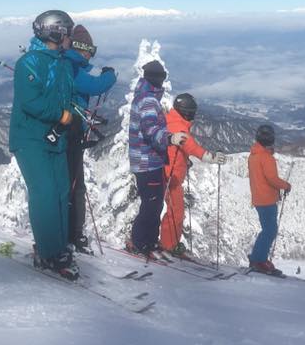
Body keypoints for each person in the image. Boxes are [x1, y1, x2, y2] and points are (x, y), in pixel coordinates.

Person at [9, 9, 78, 280]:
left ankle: (59, 246)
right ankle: (49, 252)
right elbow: (30, 101)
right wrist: (61, 115)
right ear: (55, 32)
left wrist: (72, 118)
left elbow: (68, 94)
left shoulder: (61, 62)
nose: (70, 38)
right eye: (67, 32)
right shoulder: (29, 62)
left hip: (55, 136)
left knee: (61, 191)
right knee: (45, 193)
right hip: (30, 139)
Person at [62, 24, 117, 254]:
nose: (90, 55)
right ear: (82, 48)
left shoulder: (68, 64)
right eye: (90, 50)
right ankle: (73, 234)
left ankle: (69, 231)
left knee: (71, 184)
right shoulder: (71, 67)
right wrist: (110, 75)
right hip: (71, 134)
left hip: (68, 132)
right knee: (75, 186)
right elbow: (95, 86)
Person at [126, 60, 187, 255]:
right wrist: (170, 138)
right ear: (158, 80)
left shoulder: (145, 97)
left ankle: (148, 241)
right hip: (147, 162)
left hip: (147, 161)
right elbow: (151, 130)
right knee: (151, 204)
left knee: (154, 203)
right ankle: (139, 242)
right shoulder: (149, 101)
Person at [159, 93, 226, 256]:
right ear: (185, 112)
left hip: (171, 175)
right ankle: (168, 245)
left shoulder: (176, 121)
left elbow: (179, 148)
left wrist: (184, 160)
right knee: (176, 211)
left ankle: (168, 243)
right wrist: (210, 157)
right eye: (191, 113)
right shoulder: (177, 125)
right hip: (170, 177)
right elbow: (190, 146)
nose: (193, 116)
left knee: (174, 211)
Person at [247, 124, 291, 275]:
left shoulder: (254, 155)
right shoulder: (266, 157)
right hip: (267, 199)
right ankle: (258, 260)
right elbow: (272, 179)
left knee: (268, 230)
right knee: (270, 231)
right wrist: (286, 185)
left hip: (259, 198)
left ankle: (258, 258)